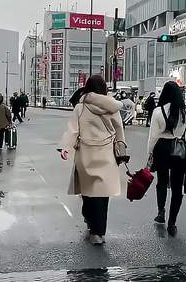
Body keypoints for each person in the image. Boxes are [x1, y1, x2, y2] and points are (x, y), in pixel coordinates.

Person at [58, 75, 126, 246]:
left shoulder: (80, 108)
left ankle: (89, 220)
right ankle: (99, 232)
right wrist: (122, 151)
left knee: (88, 192)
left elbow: (73, 130)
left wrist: (65, 147)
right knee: (103, 196)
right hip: (107, 155)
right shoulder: (113, 107)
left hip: (86, 155)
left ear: (87, 88)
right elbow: (119, 131)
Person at [147, 81, 186, 237]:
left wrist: (149, 154)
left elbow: (153, 137)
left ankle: (161, 212)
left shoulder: (158, 111)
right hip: (179, 149)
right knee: (177, 188)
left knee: (161, 182)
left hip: (162, 148)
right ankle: (172, 223)